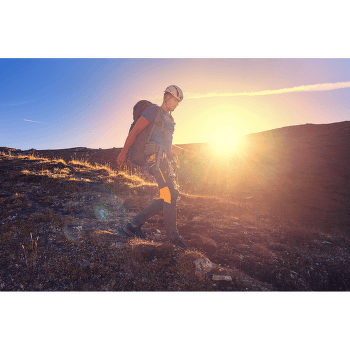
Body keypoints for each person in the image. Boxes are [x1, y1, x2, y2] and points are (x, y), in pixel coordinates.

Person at [117, 85, 196, 248]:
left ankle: (133, 226)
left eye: (178, 102)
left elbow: (168, 146)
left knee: (167, 197)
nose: (176, 104)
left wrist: (185, 153)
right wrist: (123, 153)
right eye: (175, 100)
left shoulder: (170, 120)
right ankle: (174, 240)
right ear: (166, 96)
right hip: (155, 160)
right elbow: (136, 130)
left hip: (166, 161)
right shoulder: (154, 110)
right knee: (171, 194)